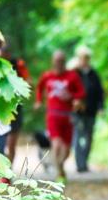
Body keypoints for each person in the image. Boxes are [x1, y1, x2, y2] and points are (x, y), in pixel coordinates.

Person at [34, 49, 86, 181]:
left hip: (68, 116)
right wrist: (39, 101)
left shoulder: (72, 76)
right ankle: (59, 172)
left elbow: (82, 93)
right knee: (56, 145)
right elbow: (39, 88)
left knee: (67, 150)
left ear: (65, 61)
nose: (59, 63)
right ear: (53, 61)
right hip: (53, 115)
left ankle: (61, 166)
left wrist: (71, 96)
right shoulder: (47, 76)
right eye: (57, 61)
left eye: (62, 61)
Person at [0, 36, 31, 167]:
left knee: (11, 145)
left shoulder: (18, 64)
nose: (3, 55)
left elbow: (28, 82)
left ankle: (7, 171)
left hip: (15, 109)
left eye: (6, 52)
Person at [72, 45, 105, 173]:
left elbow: (100, 92)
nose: (84, 60)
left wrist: (101, 107)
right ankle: (80, 164)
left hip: (91, 111)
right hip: (77, 112)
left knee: (89, 137)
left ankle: (84, 161)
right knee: (78, 136)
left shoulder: (94, 74)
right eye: (82, 57)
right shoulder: (74, 73)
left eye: (86, 57)